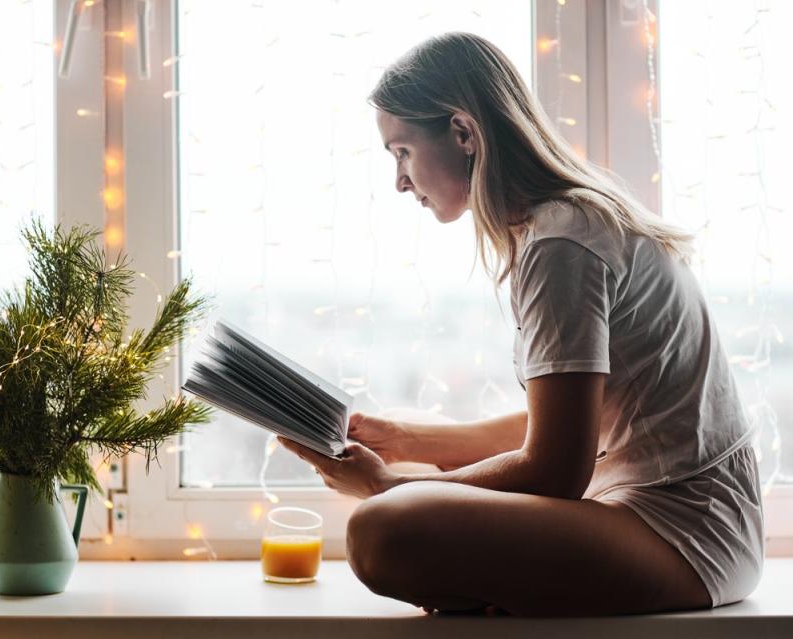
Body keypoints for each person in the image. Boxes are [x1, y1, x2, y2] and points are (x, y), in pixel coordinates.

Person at [275, 31, 763, 617]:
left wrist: (385, 487)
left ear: (463, 132)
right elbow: (558, 426)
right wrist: (405, 440)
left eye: (402, 152)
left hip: (684, 532)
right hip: (663, 511)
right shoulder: (558, 224)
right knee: (425, 451)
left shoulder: (562, 243)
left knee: (380, 528)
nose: (400, 181)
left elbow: (556, 468)